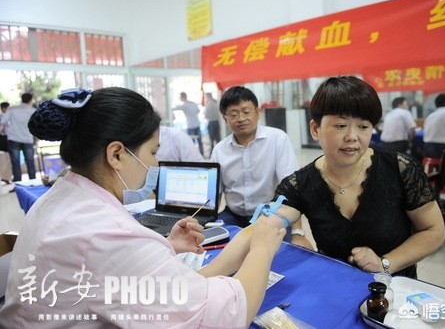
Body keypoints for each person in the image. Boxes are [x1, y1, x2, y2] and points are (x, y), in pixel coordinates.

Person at [0, 87, 285, 328]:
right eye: (153, 152)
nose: (155, 165)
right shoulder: (106, 233)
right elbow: (226, 314)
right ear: (116, 155)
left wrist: (164, 247)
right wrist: (262, 249)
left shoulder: (64, 196)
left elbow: (130, 276)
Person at [254, 76, 445, 278]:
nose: (352, 136)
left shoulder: (400, 168)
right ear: (315, 129)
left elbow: (433, 230)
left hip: (395, 290)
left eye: (363, 127)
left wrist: (385, 263)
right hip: (335, 288)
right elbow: (263, 226)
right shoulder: (300, 184)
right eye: (340, 126)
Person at [211, 86, 310, 246]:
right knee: (212, 246)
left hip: (271, 215)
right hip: (234, 216)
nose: (241, 118)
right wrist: (206, 220)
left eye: (246, 111)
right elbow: (217, 193)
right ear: (225, 119)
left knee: (280, 253)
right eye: (233, 114)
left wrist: (298, 232)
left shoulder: (277, 139)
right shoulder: (219, 150)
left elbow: (292, 187)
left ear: (257, 113)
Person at [0, 93, 37, 182]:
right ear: (30, 100)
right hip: (27, 139)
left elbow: (4, 121)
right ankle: (33, 183)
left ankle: (18, 185)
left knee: (15, 164)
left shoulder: (12, 109)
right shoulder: (32, 110)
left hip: (13, 139)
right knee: (30, 162)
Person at [173, 92, 204, 157]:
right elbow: (198, 111)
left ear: (183, 97)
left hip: (190, 126)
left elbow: (174, 108)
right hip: (197, 124)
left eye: (180, 97)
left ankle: (193, 156)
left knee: (191, 143)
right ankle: (201, 155)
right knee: (199, 141)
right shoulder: (192, 103)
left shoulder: (184, 105)